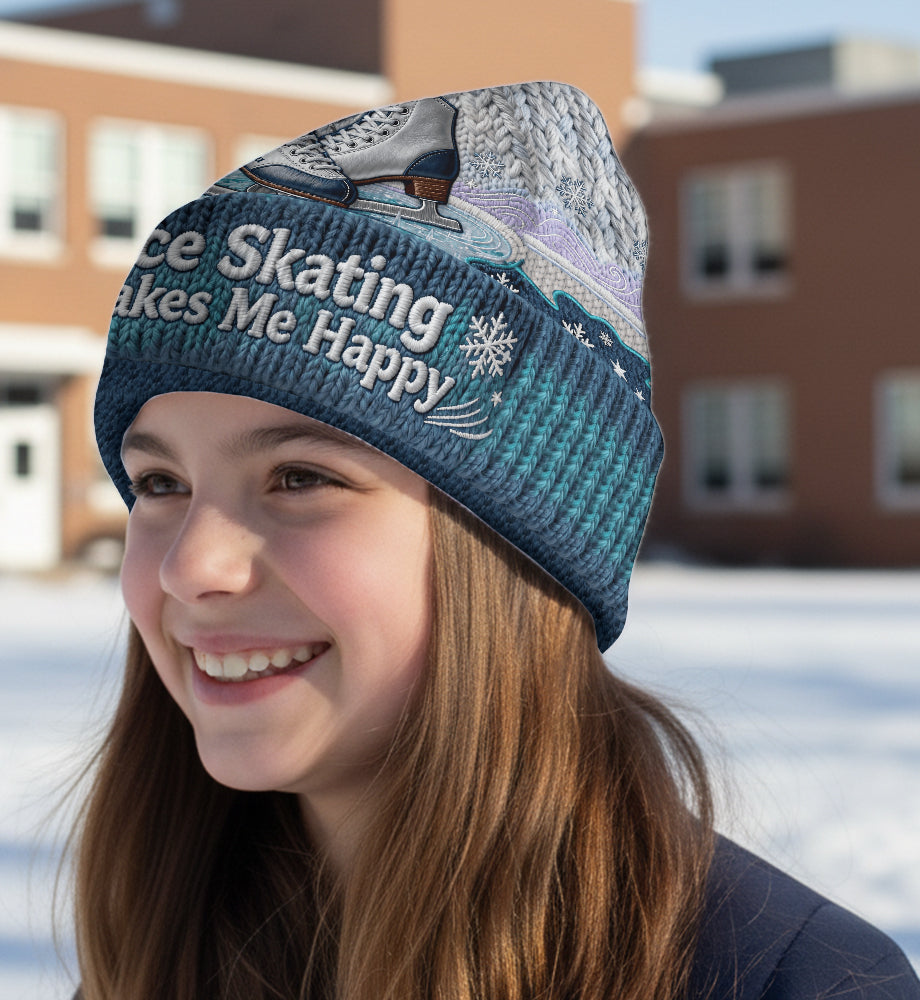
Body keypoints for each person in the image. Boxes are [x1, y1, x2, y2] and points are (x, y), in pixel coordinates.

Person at [79, 81, 919, 1000]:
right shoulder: (164, 949)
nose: (192, 565)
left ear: (516, 546)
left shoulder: (795, 984)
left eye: (302, 478)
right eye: (160, 483)